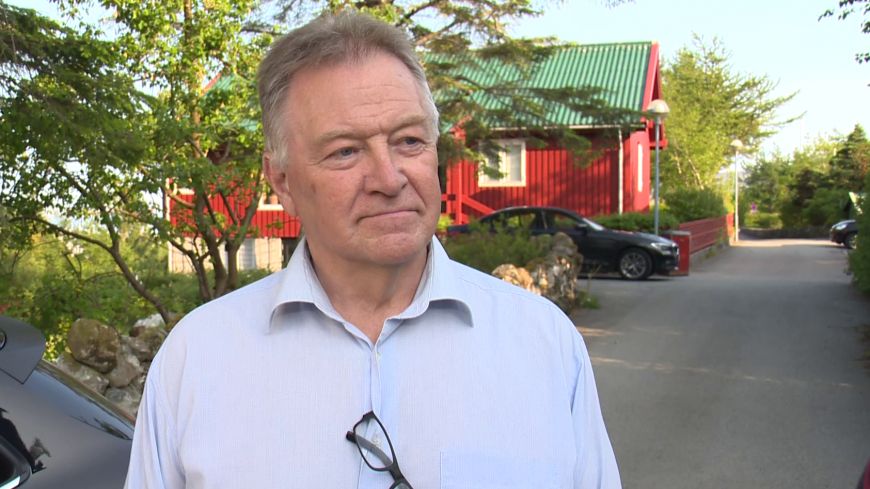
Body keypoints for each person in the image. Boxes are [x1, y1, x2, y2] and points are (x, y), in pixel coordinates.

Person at [125, 10, 621, 489]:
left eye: (409, 141)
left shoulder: (544, 345)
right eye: (345, 151)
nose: (389, 178)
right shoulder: (196, 361)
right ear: (282, 181)